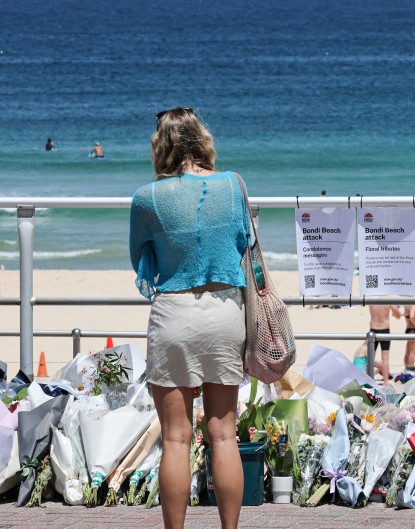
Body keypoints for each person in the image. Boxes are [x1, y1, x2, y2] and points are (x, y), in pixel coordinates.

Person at [129, 107, 247, 529]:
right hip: (224, 313)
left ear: (161, 145)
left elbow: (140, 258)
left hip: (175, 313)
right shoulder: (233, 185)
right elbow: (242, 242)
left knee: (177, 438)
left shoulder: (147, 198)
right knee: (224, 435)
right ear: (202, 139)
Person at [367, 303, 402, 383]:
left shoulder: (371, 297)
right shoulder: (388, 298)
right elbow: (397, 314)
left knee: (371, 356)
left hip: (373, 329)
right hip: (385, 329)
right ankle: (386, 382)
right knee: (385, 357)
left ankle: (369, 381)